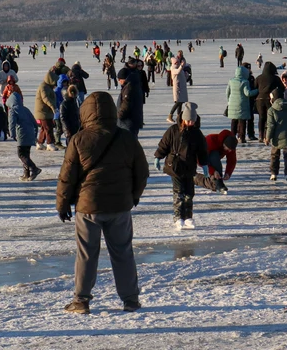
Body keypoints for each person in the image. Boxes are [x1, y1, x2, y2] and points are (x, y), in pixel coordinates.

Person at [57, 91, 149, 314]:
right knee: (123, 253)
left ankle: (81, 301)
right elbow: (142, 172)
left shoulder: (79, 139)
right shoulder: (127, 138)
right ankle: (130, 300)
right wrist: (133, 196)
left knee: (87, 255)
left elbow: (67, 176)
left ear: (85, 113)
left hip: (88, 207)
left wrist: (62, 203)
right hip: (119, 206)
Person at [154, 102, 208, 230]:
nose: (190, 123)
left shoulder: (197, 133)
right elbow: (164, 144)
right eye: (188, 120)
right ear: (183, 118)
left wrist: (205, 165)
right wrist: (158, 157)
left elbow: (202, 150)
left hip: (189, 167)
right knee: (179, 193)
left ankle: (188, 217)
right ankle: (178, 218)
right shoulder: (173, 130)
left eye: (192, 121)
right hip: (175, 166)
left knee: (189, 193)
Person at [266, 88, 287, 183]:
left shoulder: (271, 110)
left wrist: (268, 137)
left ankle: (274, 173)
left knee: (274, 155)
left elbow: (270, 125)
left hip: (276, 138)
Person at [8, 91, 40, 179]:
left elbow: (12, 123)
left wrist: (12, 134)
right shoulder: (26, 109)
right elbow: (34, 123)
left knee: (21, 154)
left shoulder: (13, 110)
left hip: (22, 135)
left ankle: (34, 168)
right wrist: (34, 135)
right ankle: (26, 174)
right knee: (26, 155)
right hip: (30, 134)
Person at [225, 66, 257, 144]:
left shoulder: (231, 81)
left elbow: (227, 92)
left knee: (234, 120)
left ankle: (232, 136)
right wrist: (257, 90)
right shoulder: (245, 82)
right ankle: (241, 137)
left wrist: (229, 101)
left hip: (232, 103)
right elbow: (247, 93)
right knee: (242, 121)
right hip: (242, 104)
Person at [167, 56, 189, 124]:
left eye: (178, 62)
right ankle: (170, 115)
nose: (178, 63)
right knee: (178, 102)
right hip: (178, 88)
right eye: (176, 62)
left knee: (181, 102)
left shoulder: (180, 68)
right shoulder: (173, 68)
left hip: (182, 88)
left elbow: (183, 77)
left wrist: (186, 75)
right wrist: (181, 66)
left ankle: (179, 117)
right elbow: (177, 72)